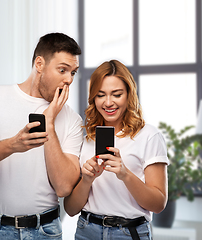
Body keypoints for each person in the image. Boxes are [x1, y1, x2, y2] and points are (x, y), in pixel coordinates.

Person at [0, 32, 83, 240]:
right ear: (39, 64)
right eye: (62, 70)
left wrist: (48, 121)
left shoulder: (72, 120)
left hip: (45, 230)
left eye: (73, 73)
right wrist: (13, 145)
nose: (68, 79)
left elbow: (64, 187)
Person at [64, 60, 169, 240]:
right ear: (93, 98)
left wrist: (125, 174)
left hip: (129, 233)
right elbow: (71, 209)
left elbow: (158, 204)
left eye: (117, 94)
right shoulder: (87, 139)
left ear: (129, 94)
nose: (108, 102)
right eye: (101, 95)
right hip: (87, 231)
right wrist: (86, 180)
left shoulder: (148, 135)